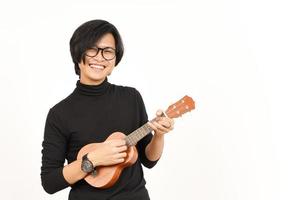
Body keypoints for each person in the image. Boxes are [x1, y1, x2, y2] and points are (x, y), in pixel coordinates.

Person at [40, 19, 174, 200]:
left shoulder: (131, 97)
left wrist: (159, 134)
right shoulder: (59, 114)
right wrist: (93, 160)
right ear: (78, 54)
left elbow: (148, 159)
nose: (100, 57)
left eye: (108, 51)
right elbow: (50, 182)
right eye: (92, 49)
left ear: (114, 60)